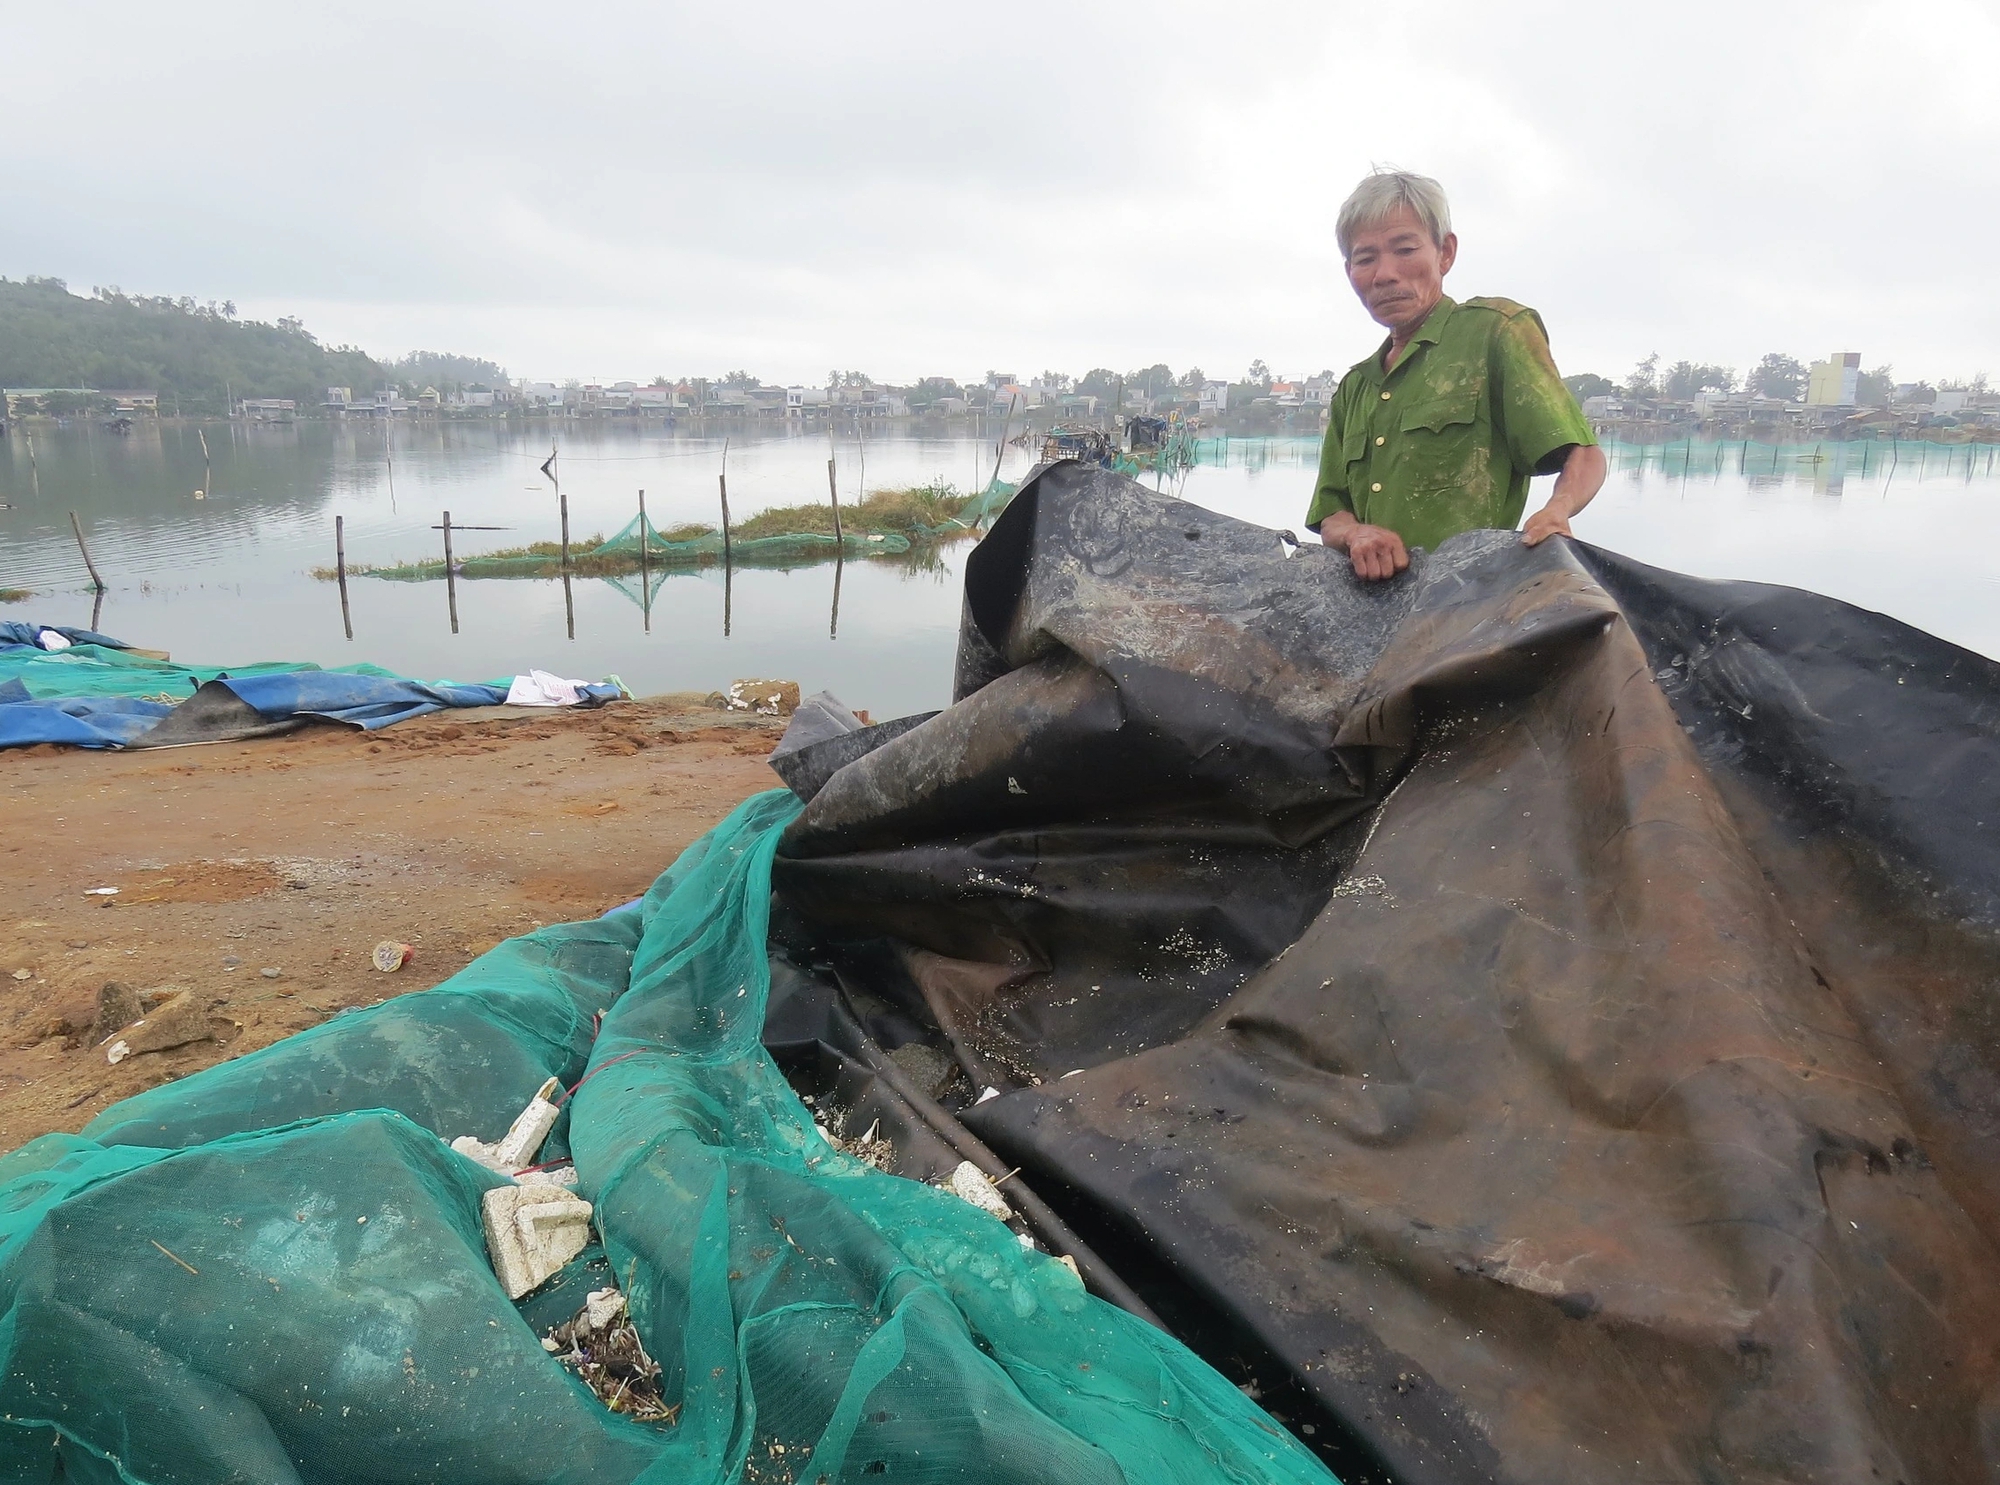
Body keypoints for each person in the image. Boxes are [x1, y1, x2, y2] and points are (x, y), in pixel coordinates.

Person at [1307, 169, 1606, 580]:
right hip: (1369, 614)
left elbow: (1583, 453)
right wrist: (1356, 534)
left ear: (1445, 253)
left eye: (1405, 249)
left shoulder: (1495, 332)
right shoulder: (1354, 387)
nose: (1385, 274)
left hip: (1471, 604)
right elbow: (1331, 515)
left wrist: (1557, 510)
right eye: (1366, 258)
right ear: (1350, 271)